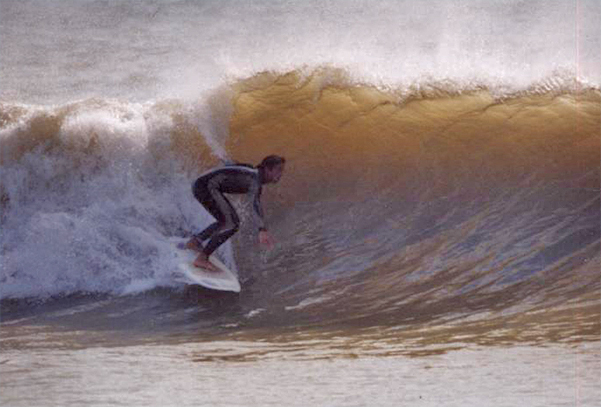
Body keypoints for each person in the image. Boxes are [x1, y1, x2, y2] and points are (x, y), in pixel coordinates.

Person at [185, 155, 286, 272]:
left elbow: (232, 164)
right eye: (278, 170)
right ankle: (202, 258)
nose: (280, 174)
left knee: (227, 221)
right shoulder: (255, 180)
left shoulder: (251, 170)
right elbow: (255, 204)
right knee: (232, 224)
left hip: (202, 184)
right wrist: (262, 229)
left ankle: (195, 242)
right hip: (205, 186)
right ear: (268, 169)